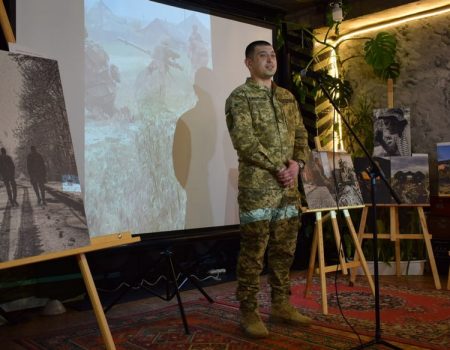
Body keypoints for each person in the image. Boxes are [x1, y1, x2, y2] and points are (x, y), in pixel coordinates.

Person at [225, 40, 311, 338]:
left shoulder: (287, 97)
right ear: (249, 63)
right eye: (263, 56)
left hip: (288, 189)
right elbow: (245, 141)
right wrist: (278, 168)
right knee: (254, 252)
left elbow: (301, 134)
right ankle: (249, 311)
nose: (270, 60)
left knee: (284, 250)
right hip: (258, 188)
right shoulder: (240, 97)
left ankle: (281, 304)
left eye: (273, 55)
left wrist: (297, 164)